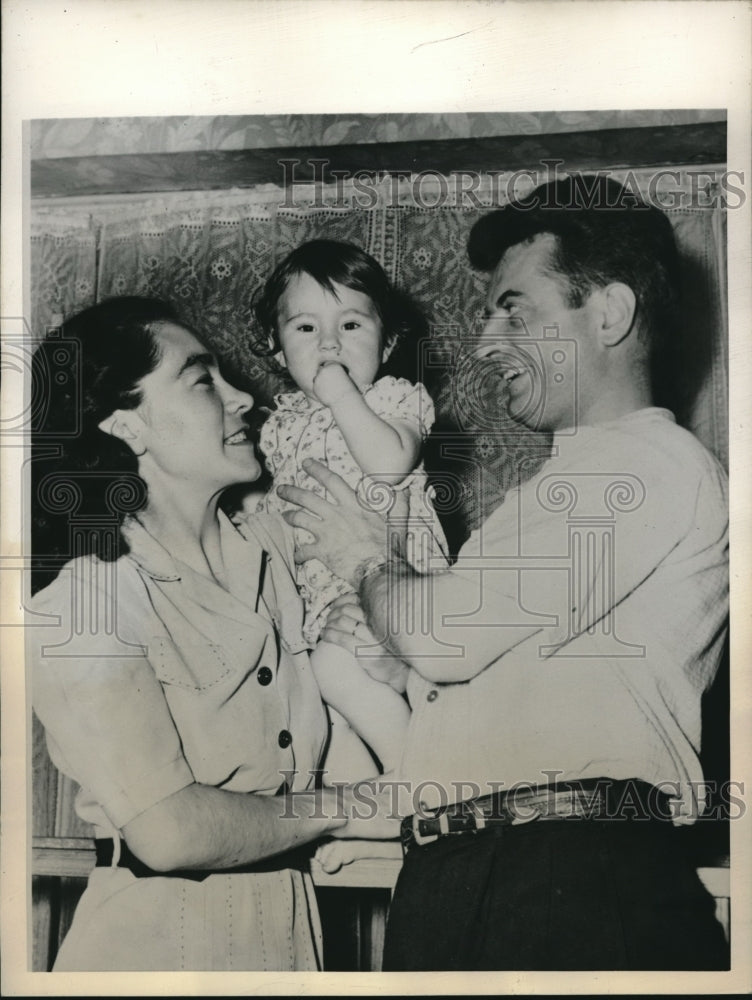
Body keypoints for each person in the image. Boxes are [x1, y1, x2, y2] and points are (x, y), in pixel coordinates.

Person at [277, 176, 730, 970]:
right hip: (474, 871)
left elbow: (446, 636)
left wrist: (365, 559)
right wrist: (397, 662)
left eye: (514, 307)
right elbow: (477, 673)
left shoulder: (646, 462)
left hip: (569, 876)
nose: (486, 340)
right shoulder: (562, 486)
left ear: (611, 313)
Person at [29, 297, 359, 971]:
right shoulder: (83, 601)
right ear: (126, 425)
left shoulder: (280, 551)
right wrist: (348, 807)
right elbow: (169, 830)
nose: (244, 399)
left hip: (292, 941)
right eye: (204, 379)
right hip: (154, 953)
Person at [250, 239, 447, 778]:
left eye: (352, 326)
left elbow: (389, 464)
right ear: (275, 346)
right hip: (314, 598)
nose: (330, 343)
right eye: (306, 328)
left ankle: (427, 779)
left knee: (337, 671)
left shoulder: (393, 400)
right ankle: (370, 825)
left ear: (388, 344)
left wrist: (342, 397)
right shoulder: (281, 422)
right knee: (322, 715)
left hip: (394, 579)